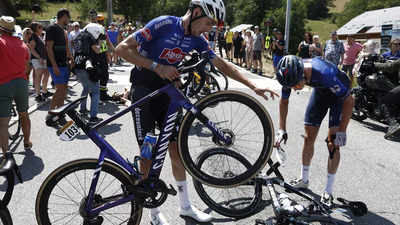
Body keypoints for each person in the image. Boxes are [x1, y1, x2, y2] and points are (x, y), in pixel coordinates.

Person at [115, 0, 279, 224]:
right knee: (148, 153)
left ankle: (185, 206)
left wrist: (253, 86)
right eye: (208, 22)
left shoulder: (196, 39)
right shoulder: (163, 24)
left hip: (168, 93)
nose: (209, 29)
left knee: (175, 149)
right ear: (195, 12)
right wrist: (156, 66)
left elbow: (221, 64)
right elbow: (122, 48)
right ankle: (153, 213)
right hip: (144, 90)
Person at [275, 55, 354, 207]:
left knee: (332, 144)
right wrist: (281, 129)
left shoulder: (326, 73)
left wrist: (342, 130)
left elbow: (349, 101)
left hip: (339, 95)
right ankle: (304, 180)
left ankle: (328, 191)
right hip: (320, 92)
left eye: (296, 85)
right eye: (291, 86)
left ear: (302, 73)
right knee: (308, 136)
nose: (294, 89)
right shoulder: (289, 74)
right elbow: (284, 101)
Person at [0, 16, 32, 153]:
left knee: (3, 123)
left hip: (3, 84)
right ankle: (26, 141)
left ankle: (6, 154)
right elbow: (27, 66)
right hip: (21, 82)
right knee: (24, 114)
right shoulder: (22, 45)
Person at [73, 23, 105, 124]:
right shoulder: (89, 36)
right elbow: (97, 50)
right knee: (95, 91)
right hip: (87, 67)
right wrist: (100, 43)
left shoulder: (79, 36)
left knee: (86, 88)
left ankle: (82, 109)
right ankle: (93, 117)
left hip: (77, 67)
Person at [45, 8, 72, 127]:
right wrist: (54, 65)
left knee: (64, 90)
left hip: (63, 64)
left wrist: (70, 57)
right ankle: (51, 113)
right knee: (60, 89)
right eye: (68, 17)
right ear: (64, 16)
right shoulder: (52, 28)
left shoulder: (62, 30)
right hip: (55, 65)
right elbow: (49, 48)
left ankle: (60, 113)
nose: (69, 20)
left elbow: (65, 46)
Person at [29, 22, 51, 102]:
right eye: (40, 27)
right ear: (35, 29)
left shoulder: (39, 36)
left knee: (47, 74)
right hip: (37, 59)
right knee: (39, 76)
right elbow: (32, 49)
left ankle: (44, 91)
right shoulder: (33, 37)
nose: (42, 28)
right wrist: (39, 58)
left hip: (43, 58)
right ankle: (38, 95)